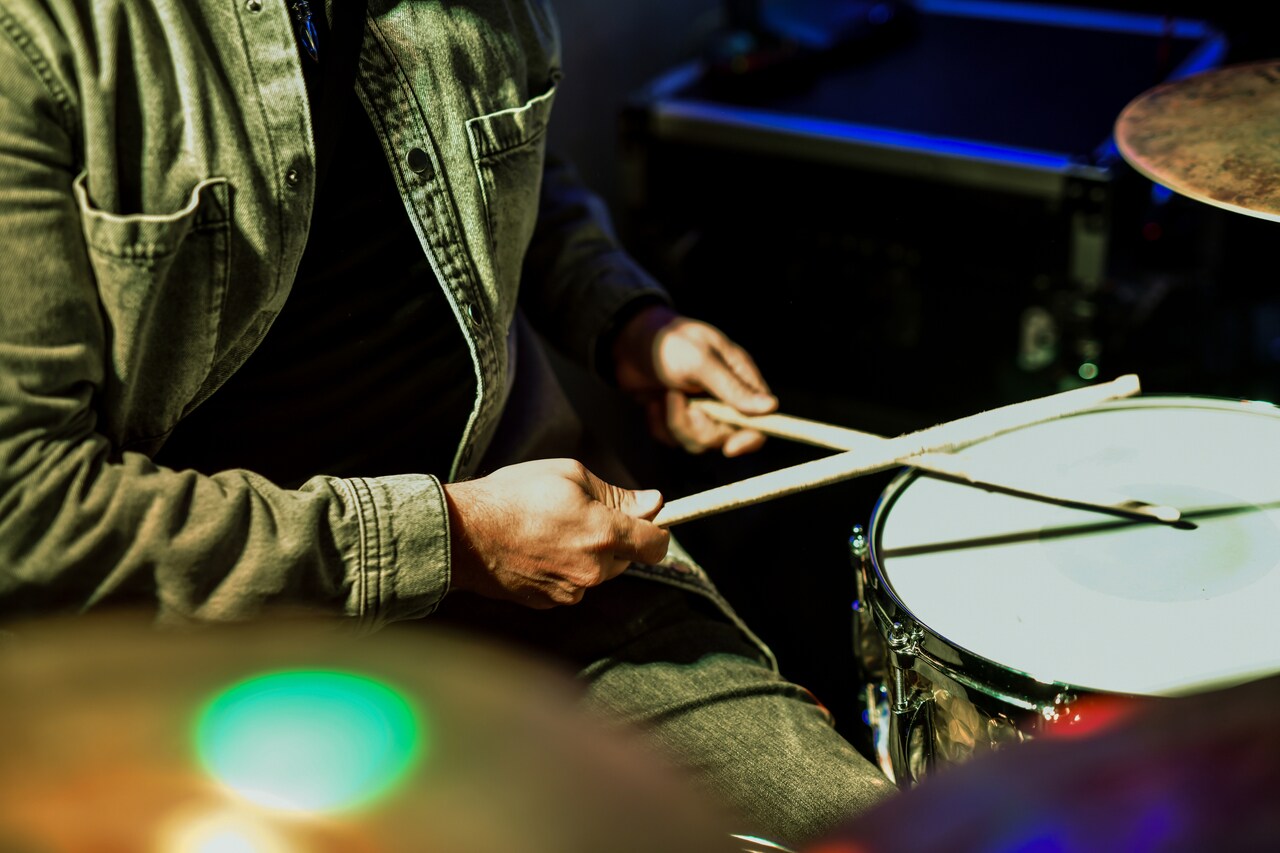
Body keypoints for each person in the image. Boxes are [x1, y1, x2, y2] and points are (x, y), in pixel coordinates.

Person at [0, 0, 891, 843]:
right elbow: (30, 514)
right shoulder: (36, 36)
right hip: (192, 667)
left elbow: (507, 162)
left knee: (867, 833)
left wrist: (622, 318)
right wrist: (458, 537)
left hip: (541, 589)